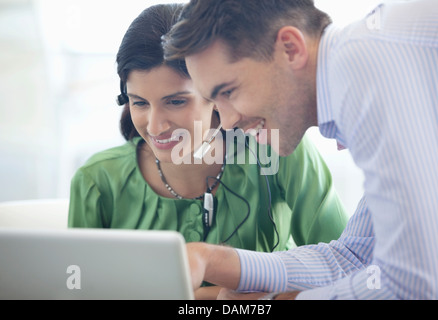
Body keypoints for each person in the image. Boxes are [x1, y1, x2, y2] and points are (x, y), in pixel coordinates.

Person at [163, 0, 438, 299]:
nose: (228, 122)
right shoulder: (360, 63)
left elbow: (417, 285)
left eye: (229, 92)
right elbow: (355, 257)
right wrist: (211, 260)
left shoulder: (364, 66)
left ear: (290, 48)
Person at [68, 3, 349, 299]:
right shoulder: (96, 180)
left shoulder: (277, 146)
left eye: (176, 101)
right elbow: (77, 289)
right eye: (139, 102)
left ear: (214, 93)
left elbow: (348, 265)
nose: (155, 125)